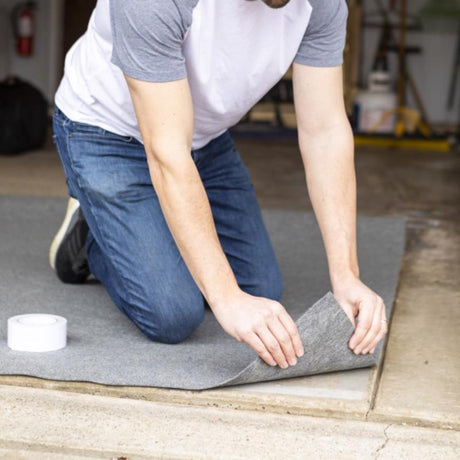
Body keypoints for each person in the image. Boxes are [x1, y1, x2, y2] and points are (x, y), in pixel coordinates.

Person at [49, 0, 388, 370]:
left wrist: (346, 276)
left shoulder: (320, 4)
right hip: (105, 133)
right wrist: (227, 299)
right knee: (174, 313)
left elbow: (324, 131)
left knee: (260, 289)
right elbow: (167, 155)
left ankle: (140, 224)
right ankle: (92, 229)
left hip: (201, 139)